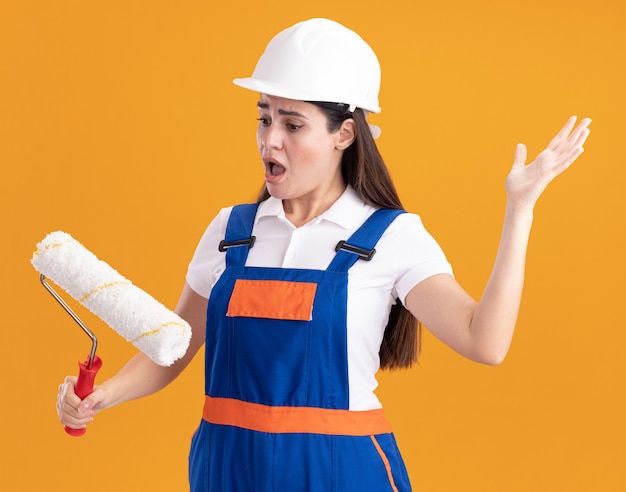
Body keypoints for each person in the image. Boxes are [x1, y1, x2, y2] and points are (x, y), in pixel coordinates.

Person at [56, 18, 591, 491]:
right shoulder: (231, 231)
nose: (270, 141)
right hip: (225, 469)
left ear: (345, 134)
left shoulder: (390, 236)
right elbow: (172, 348)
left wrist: (520, 208)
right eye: (264, 117)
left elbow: (485, 341)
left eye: (293, 124)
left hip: (338, 472)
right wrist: (105, 395)